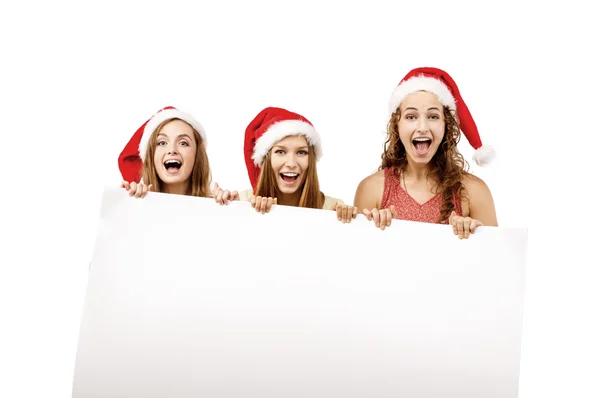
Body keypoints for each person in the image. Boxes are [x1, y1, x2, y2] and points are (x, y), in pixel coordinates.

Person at [353, 67, 497, 239]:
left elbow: (497, 261)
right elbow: (358, 259)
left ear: (446, 125)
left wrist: (476, 235)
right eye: (411, 117)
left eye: (433, 116)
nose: (422, 128)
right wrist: (377, 231)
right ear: (396, 125)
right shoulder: (371, 189)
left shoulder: (474, 191)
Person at [213, 106, 357, 222]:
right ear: (265, 160)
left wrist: (349, 223)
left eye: (301, 152)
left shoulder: (333, 209)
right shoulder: (242, 202)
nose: (291, 163)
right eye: (281, 152)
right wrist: (220, 208)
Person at [118, 106, 212, 198]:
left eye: (183, 143)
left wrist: (222, 207)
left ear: (197, 155)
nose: (172, 150)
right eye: (162, 143)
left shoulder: (214, 207)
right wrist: (126, 202)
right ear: (151, 156)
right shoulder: (134, 206)